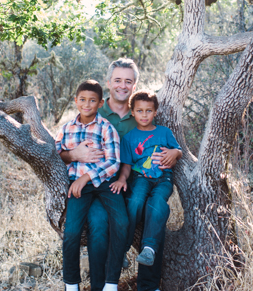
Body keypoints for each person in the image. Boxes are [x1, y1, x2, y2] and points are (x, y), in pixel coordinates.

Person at [61, 58, 182, 291]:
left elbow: (159, 139)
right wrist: (73, 154)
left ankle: (148, 284)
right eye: (117, 80)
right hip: (100, 185)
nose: (122, 86)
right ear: (108, 83)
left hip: (132, 183)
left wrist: (175, 152)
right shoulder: (95, 109)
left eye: (128, 81)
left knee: (154, 211)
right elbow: (62, 152)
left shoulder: (140, 111)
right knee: (98, 222)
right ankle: (105, 283)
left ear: (134, 85)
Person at [56, 80, 128, 291]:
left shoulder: (106, 128)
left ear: (100, 103)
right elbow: (56, 154)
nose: (87, 104)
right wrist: (70, 155)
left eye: (93, 101)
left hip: (104, 183)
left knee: (121, 222)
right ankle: (71, 284)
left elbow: (113, 162)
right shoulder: (67, 128)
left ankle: (110, 283)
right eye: (83, 100)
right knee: (72, 232)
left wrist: (85, 176)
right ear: (75, 100)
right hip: (79, 188)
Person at [110, 90, 180, 267]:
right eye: (139, 110)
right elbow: (126, 165)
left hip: (163, 178)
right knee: (135, 202)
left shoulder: (164, 132)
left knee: (158, 203)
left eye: (149, 110)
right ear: (132, 112)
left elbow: (178, 151)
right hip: (140, 177)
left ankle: (149, 249)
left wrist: (175, 152)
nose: (144, 114)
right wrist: (122, 179)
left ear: (155, 112)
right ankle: (122, 250)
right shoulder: (129, 138)